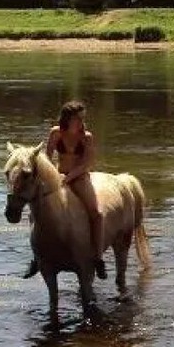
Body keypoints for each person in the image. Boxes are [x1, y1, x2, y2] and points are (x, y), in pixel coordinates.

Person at [45, 100, 107, 278]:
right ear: (67, 118)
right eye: (77, 118)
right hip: (58, 175)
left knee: (97, 213)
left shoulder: (86, 137)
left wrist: (69, 177)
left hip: (79, 177)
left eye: (82, 118)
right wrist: (54, 176)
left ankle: (98, 259)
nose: (80, 122)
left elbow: (87, 163)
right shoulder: (55, 133)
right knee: (37, 208)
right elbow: (47, 157)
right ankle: (37, 257)